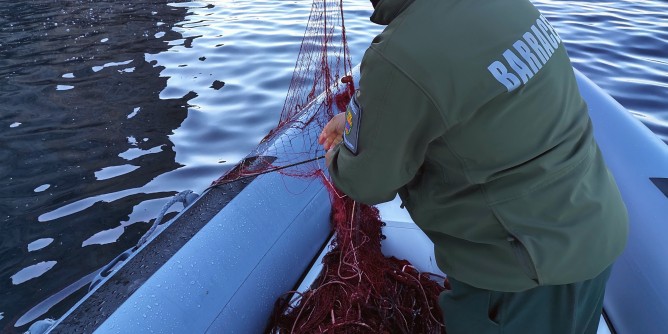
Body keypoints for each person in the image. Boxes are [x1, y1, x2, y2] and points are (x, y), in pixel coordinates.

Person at [317, 0, 629, 333]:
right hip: (594, 226)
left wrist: (342, 150)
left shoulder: (401, 52)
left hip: (520, 276)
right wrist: (362, 122)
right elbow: (473, 104)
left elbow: (367, 182)